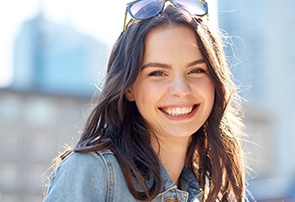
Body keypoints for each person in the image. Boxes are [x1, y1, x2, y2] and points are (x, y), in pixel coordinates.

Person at [43, 0, 250, 201]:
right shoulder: (94, 172)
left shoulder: (208, 191)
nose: (181, 90)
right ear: (129, 88)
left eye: (196, 70)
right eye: (158, 73)